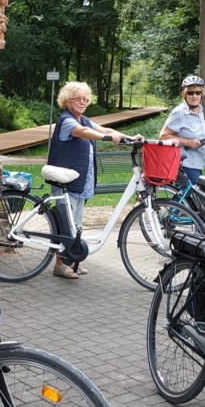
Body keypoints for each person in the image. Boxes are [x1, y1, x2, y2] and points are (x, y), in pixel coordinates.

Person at [46, 81, 140, 279]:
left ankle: (73, 259)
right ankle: (60, 264)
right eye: (77, 98)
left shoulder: (84, 119)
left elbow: (104, 129)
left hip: (80, 181)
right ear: (67, 101)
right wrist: (105, 138)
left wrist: (129, 137)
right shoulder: (67, 120)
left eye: (85, 99)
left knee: (77, 223)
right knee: (66, 223)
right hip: (66, 181)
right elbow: (84, 133)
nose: (82, 102)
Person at [159, 74, 205, 184]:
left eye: (198, 92)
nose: (194, 96)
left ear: (201, 94)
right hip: (185, 163)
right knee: (195, 196)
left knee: (188, 198)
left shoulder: (199, 109)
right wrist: (188, 142)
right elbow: (163, 136)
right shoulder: (179, 112)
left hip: (196, 161)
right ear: (185, 94)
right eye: (190, 93)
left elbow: (192, 126)